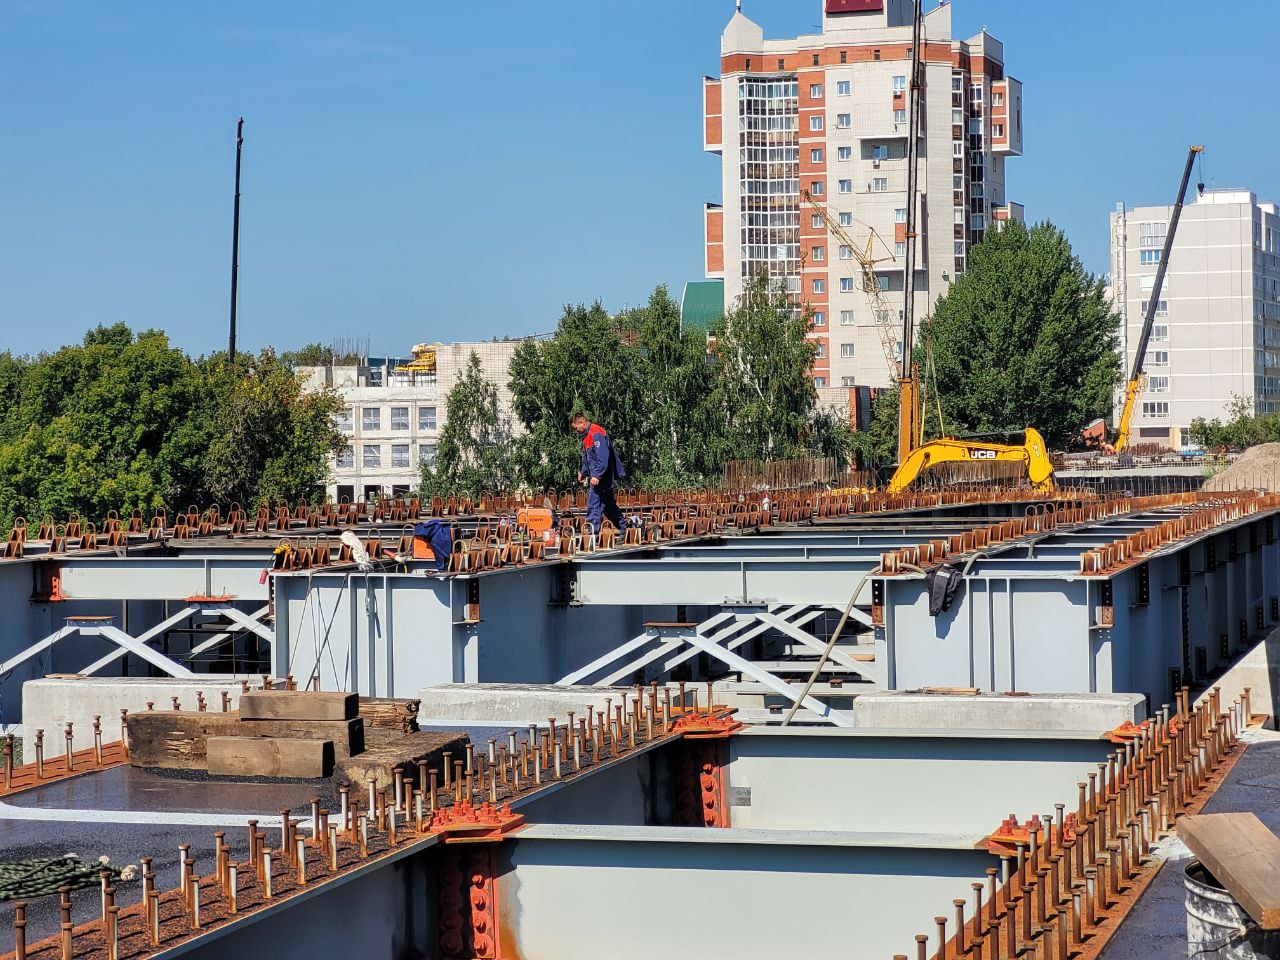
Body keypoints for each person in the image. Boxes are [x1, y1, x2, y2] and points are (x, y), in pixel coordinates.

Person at [572, 412, 626, 535]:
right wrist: (583, 472)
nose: (576, 431)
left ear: (582, 423)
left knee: (594, 504)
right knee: (608, 508)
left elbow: (603, 457)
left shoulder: (596, 433)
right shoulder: (586, 436)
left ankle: (591, 536)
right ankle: (626, 528)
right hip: (601, 477)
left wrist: (597, 475)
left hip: (603, 478)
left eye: (576, 428)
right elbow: (588, 459)